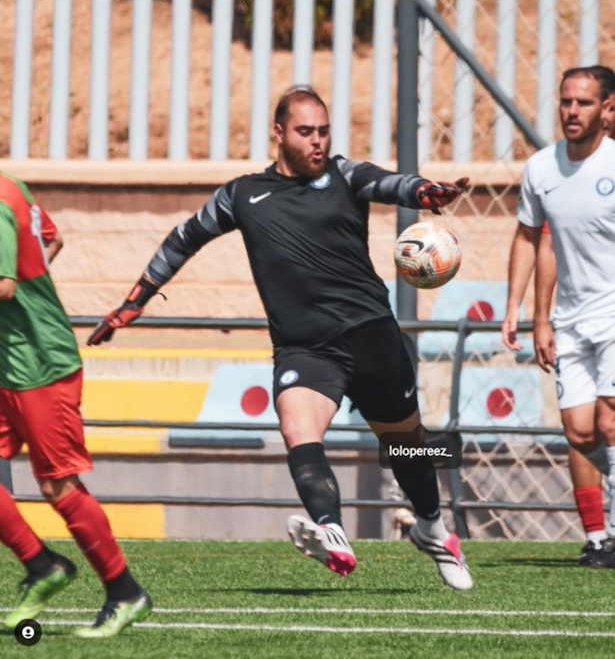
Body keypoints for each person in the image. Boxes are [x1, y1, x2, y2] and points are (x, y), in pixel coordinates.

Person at [88, 85, 473, 590]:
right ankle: (331, 529)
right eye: (305, 132)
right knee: (298, 430)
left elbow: (392, 184)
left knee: (407, 448)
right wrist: (135, 300)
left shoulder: (344, 174)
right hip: (306, 348)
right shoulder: (244, 195)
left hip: (373, 337)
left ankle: (433, 528)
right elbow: (184, 239)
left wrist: (426, 192)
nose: (317, 141)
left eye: (323, 131)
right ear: (279, 133)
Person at [0, 171, 152, 636]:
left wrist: (24, 300)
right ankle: (42, 565)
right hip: (12, 363)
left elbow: (3, 285)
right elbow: (54, 239)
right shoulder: (12, 186)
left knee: (58, 487)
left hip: (40, 366)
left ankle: (125, 592)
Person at [505, 65, 615, 567]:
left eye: (584, 102)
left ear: (608, 110)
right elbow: (534, 238)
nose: (572, 111)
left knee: (610, 423)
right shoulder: (541, 168)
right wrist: (530, 314)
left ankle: (602, 538)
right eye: (566, 101)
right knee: (579, 432)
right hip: (570, 319)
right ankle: (599, 536)